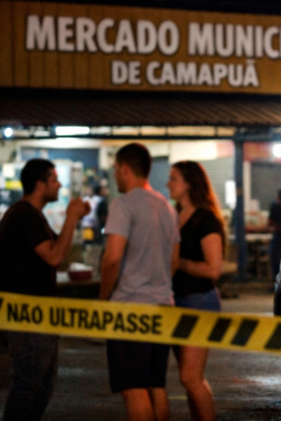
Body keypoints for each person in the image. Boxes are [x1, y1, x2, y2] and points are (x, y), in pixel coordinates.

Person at [0, 158, 90, 421]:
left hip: (40, 314)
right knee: (28, 384)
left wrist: (74, 219)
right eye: (54, 180)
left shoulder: (33, 216)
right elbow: (54, 256)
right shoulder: (24, 215)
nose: (59, 185)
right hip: (28, 315)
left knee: (42, 384)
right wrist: (71, 217)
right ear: (40, 185)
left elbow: (55, 251)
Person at [100, 143, 179, 421]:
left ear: (125, 169)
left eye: (115, 170)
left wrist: (103, 298)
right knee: (156, 385)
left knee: (134, 389)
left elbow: (112, 259)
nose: (114, 176)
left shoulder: (123, 204)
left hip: (130, 309)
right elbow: (174, 260)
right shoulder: (167, 207)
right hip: (164, 306)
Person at [167, 161, 224, 421]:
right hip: (175, 301)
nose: (168, 183)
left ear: (189, 183)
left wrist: (179, 263)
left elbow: (213, 269)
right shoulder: (173, 215)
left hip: (199, 301)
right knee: (190, 379)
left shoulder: (205, 219)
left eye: (174, 178)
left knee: (190, 377)